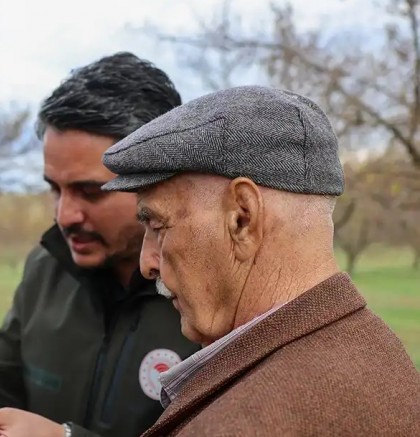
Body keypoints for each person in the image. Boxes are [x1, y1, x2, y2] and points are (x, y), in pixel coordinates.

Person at [0, 53, 200, 437]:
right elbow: (1, 379)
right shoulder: (47, 267)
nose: (65, 216)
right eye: (55, 189)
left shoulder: (213, 297)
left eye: (90, 192)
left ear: (158, 182)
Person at [97, 85, 420, 435]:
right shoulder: (380, 354)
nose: (147, 264)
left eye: (159, 226)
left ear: (242, 218)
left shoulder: (236, 425)